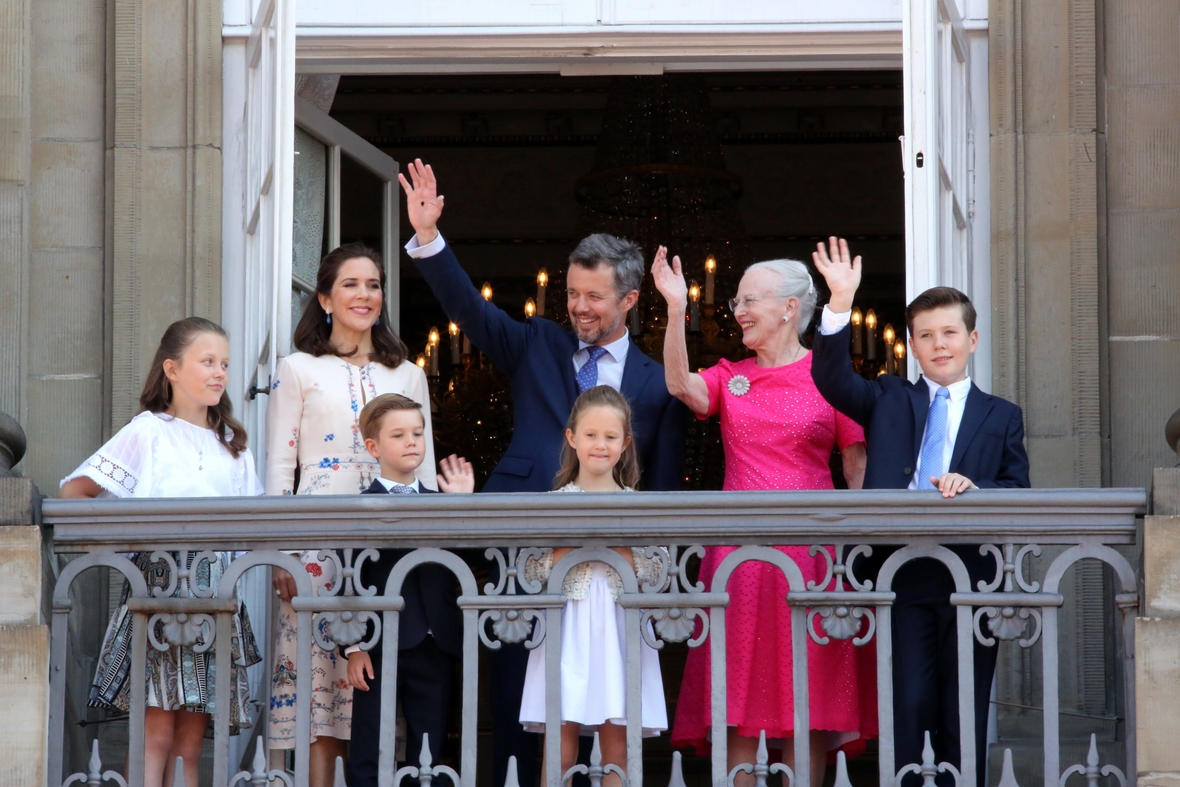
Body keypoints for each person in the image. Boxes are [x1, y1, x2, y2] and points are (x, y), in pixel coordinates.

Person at [398, 159, 688, 787]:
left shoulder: (654, 378)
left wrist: (656, 563)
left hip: (618, 568)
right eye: (572, 293)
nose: (578, 307)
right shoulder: (538, 344)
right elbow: (472, 314)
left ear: (630, 300)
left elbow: (662, 477)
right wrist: (429, 239)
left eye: (594, 297)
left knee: (616, 706)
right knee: (519, 703)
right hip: (523, 551)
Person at [809, 237, 1030, 787]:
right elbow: (830, 380)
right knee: (907, 703)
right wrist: (839, 302)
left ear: (972, 339)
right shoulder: (889, 398)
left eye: (949, 333)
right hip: (900, 571)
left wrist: (975, 487)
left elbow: (1017, 488)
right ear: (911, 344)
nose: (939, 345)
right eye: (926, 336)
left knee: (964, 708)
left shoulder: (1001, 415)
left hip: (971, 577)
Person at [652, 247, 874, 785]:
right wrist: (677, 309)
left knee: (809, 699)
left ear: (790, 308)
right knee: (737, 697)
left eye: (750, 299)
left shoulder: (831, 378)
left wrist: (857, 551)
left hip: (814, 558)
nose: (739, 309)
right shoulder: (731, 375)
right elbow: (680, 385)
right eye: (737, 300)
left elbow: (856, 467)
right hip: (738, 562)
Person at [59, 317, 264, 787]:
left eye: (225, 364)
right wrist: (125, 548)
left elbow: (254, 523)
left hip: (215, 597)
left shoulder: (234, 448)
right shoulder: (148, 430)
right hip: (159, 592)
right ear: (172, 369)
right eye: (207, 361)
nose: (219, 373)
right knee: (153, 736)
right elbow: (75, 491)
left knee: (189, 745)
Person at [266, 243, 437, 787]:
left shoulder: (408, 374)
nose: (365, 295)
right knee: (322, 694)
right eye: (351, 284)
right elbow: (280, 466)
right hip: (315, 544)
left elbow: (425, 470)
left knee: (384, 686)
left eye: (374, 285)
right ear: (324, 298)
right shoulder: (296, 369)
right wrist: (280, 555)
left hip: (392, 549)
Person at [518, 386, 667, 787]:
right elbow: (530, 574)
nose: (600, 445)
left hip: (620, 625)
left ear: (625, 443)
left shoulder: (639, 506)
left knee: (616, 742)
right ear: (571, 438)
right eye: (590, 434)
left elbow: (658, 574)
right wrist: (572, 542)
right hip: (567, 622)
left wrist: (615, 540)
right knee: (561, 739)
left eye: (610, 436)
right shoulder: (551, 503)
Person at [345, 393, 475, 787]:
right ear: (373, 447)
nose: (411, 441)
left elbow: (466, 566)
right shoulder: (357, 508)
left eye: (417, 433)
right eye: (398, 435)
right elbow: (348, 579)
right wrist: (353, 648)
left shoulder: (443, 503)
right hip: (379, 644)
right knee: (370, 743)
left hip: (435, 642)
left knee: (430, 748)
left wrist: (461, 509)